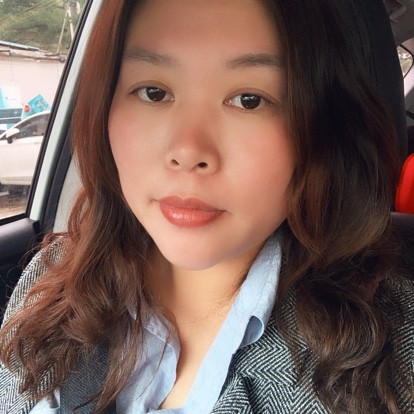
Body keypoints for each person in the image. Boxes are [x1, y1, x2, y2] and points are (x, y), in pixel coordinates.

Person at [0, 0, 413, 413]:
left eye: (249, 100)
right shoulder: (50, 278)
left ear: (322, 127)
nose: (188, 151)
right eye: (154, 92)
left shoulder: (393, 359)